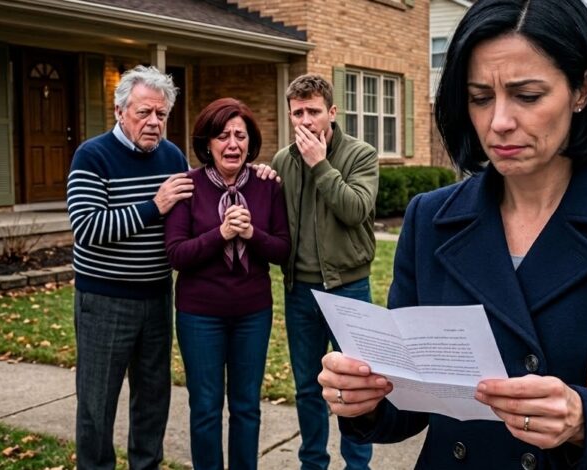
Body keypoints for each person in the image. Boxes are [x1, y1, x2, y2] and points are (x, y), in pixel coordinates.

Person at [317, 0, 587, 468]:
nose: (499, 122)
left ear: (581, 90)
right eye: (480, 98)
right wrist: (365, 395)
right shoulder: (430, 219)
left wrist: (583, 419)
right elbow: (411, 404)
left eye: (527, 95)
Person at [66, 66, 275, 470]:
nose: (153, 122)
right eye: (144, 112)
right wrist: (153, 206)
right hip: (104, 298)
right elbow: (87, 228)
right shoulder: (92, 155)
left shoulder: (171, 156)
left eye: (161, 114)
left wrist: (259, 171)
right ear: (119, 110)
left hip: (158, 297)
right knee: (97, 404)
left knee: (152, 400)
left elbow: (211, 193)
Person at [165, 98, 290, 470]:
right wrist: (220, 233)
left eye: (240, 135)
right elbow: (177, 254)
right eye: (222, 136)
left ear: (251, 143)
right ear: (207, 143)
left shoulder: (268, 186)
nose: (232, 143)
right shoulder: (187, 186)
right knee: (205, 407)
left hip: (252, 313)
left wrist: (251, 233)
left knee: (247, 406)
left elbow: (283, 250)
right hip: (199, 315)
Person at [271, 74, 379, 470]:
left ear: (332, 112)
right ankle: (312, 462)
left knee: (353, 387)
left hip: (348, 288)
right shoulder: (283, 160)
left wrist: (320, 164)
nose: (305, 121)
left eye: (313, 111)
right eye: (297, 112)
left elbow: (354, 209)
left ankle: (357, 464)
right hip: (300, 290)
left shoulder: (360, 155)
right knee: (306, 387)